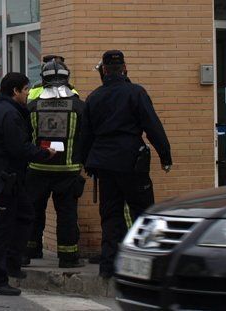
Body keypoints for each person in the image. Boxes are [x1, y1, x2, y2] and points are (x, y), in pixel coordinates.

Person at [81, 50, 172, 278]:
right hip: (132, 162)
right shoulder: (136, 93)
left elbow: (85, 135)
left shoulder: (94, 97)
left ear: (103, 70)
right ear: (124, 68)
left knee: (110, 215)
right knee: (142, 213)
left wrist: (86, 162)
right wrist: (165, 156)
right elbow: (152, 126)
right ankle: (144, 265)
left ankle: (108, 266)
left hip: (105, 164)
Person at [0, 72, 55, 296]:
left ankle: (12, 263)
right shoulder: (7, 114)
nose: (28, 94)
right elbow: (18, 148)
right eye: (25, 90)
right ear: (15, 91)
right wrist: (44, 153)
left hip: (9, 176)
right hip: (3, 178)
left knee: (25, 215)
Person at [24, 60, 86, 268]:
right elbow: (87, 137)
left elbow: (24, 138)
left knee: (33, 211)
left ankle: (30, 250)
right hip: (68, 171)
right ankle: (68, 257)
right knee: (67, 214)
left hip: (37, 169)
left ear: (43, 80)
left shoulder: (31, 106)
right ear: (67, 79)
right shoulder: (79, 106)